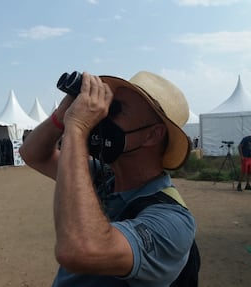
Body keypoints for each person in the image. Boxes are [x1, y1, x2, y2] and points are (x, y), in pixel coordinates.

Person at [19, 71, 197, 286]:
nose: (103, 116)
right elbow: (33, 154)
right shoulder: (103, 177)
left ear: (152, 135)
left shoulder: (172, 220)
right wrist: (62, 115)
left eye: (116, 109)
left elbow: (80, 250)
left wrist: (77, 128)